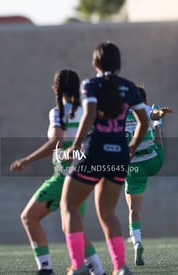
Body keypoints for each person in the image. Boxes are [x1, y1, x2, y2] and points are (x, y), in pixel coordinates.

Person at [59, 41, 149, 275]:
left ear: (95, 62)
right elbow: (144, 122)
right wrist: (131, 147)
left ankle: (77, 265)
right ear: (118, 63)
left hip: (94, 150)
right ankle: (120, 267)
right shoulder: (129, 87)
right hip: (119, 153)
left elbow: (89, 114)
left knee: (69, 205)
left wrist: (75, 145)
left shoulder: (91, 84)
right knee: (109, 213)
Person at [10, 70, 106, 275]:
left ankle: (45, 269)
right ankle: (98, 270)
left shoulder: (57, 112)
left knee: (29, 217)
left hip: (64, 177)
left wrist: (26, 160)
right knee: (72, 227)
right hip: (85, 176)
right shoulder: (87, 112)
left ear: (55, 89)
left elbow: (56, 141)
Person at [124, 86, 173, 266]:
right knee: (157, 139)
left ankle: (137, 241)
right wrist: (160, 114)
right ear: (143, 101)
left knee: (133, 210)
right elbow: (155, 114)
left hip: (134, 167)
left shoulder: (121, 114)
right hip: (153, 162)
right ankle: (159, 129)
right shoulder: (144, 108)